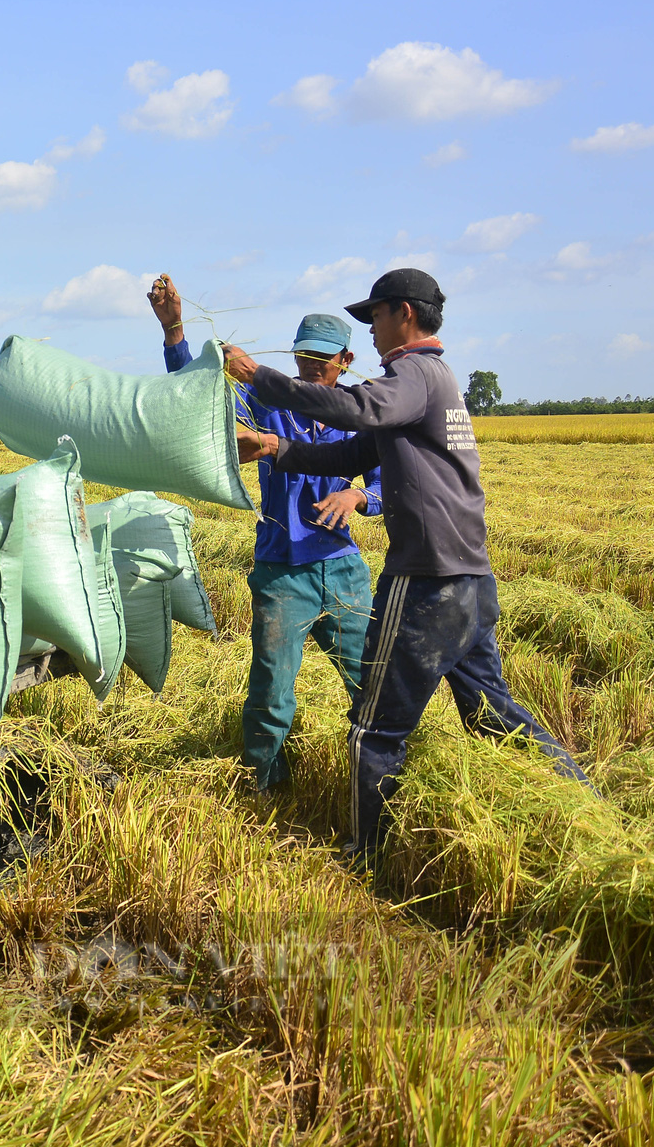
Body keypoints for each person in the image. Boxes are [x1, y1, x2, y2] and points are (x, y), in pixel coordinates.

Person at [227, 267, 588, 861]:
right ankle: (577, 795)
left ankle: (364, 855)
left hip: (425, 579)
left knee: (374, 726)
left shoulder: (413, 374)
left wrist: (258, 377)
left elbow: (353, 413)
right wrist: (274, 446)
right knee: (492, 711)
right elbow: (353, 449)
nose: (371, 329)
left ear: (406, 314)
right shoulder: (431, 381)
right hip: (470, 576)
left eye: (376, 316)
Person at [148, 273, 380, 791]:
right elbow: (198, 399)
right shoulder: (269, 405)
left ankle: (379, 777)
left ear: (345, 360)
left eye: (322, 359)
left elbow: (387, 486)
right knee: (272, 690)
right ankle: (263, 785)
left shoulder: (359, 416)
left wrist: (356, 496)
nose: (310, 367)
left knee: (371, 680)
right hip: (281, 574)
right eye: (303, 358)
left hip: (343, 570)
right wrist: (175, 332)